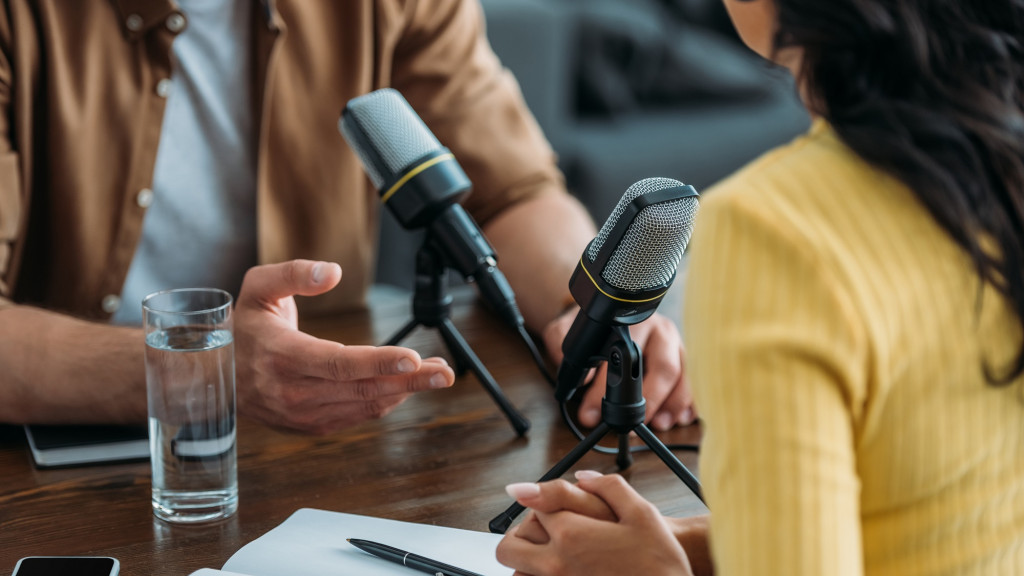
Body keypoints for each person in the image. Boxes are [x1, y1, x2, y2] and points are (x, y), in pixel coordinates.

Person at [495, 0, 1024, 574]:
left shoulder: (771, 229)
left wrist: (657, 570)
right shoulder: (999, 160)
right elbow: (930, 515)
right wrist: (698, 544)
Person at [0, 0, 696, 434]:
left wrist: (586, 316)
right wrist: (204, 372)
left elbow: (512, 190)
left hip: (314, 438)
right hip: (57, 445)